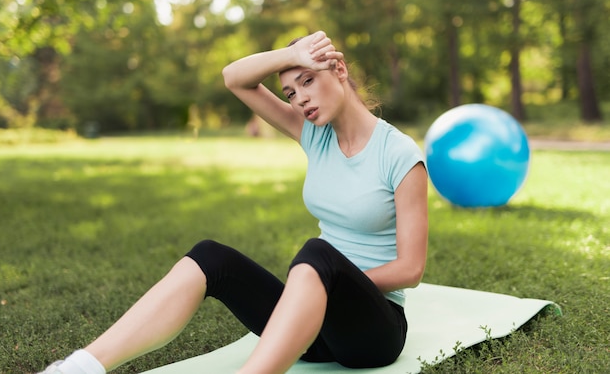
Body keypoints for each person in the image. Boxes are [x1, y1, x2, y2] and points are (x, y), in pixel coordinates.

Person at [38, 30, 428, 374]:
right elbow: (234, 79)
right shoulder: (313, 133)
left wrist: (325, 282)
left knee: (317, 255)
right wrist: (293, 56)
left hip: (373, 332)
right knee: (211, 257)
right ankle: (80, 367)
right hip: (314, 323)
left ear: (339, 71)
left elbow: (410, 269)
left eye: (308, 81)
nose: (300, 100)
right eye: (291, 93)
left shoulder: (398, 153)